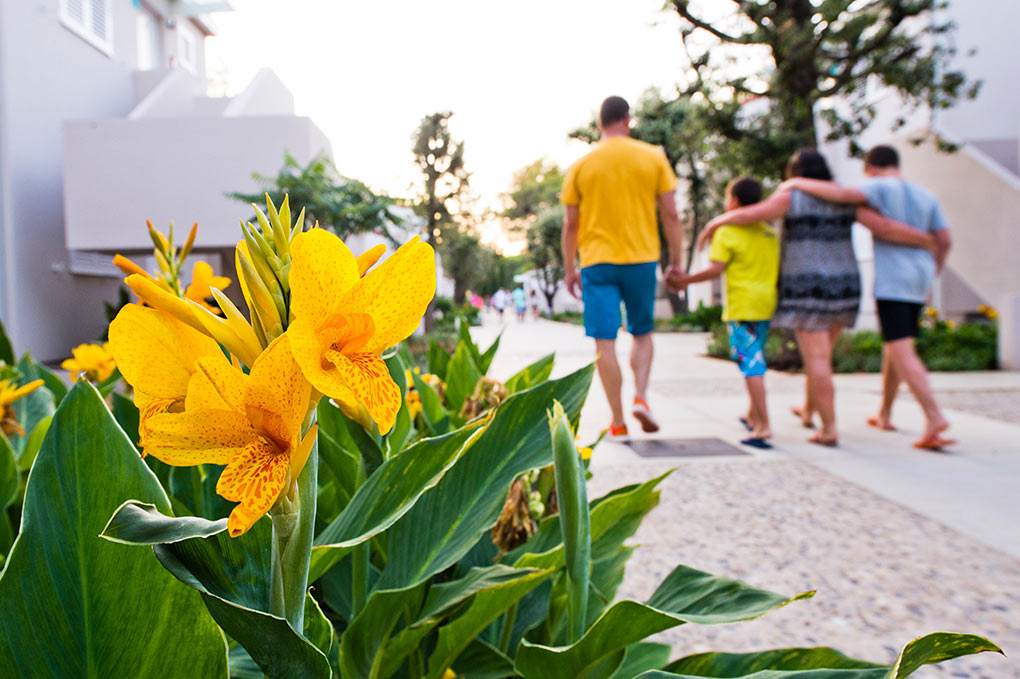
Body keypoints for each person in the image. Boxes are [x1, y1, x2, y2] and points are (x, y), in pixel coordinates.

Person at [698, 148, 935, 447]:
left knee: (817, 360)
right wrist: (925, 239)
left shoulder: (792, 197)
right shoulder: (844, 199)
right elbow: (885, 227)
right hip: (845, 286)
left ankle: (829, 429)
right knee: (823, 357)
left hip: (806, 288)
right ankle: (809, 410)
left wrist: (714, 223)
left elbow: (752, 213)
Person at [778, 145, 953, 450]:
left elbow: (852, 204)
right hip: (921, 276)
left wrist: (795, 182)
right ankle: (883, 413)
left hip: (893, 280)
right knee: (894, 346)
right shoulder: (927, 194)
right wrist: (934, 264)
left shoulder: (873, 187)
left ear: (870, 167)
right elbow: (945, 239)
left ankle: (934, 416)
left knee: (901, 350)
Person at [561, 95, 684, 440]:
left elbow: (571, 224)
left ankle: (617, 420)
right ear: (627, 120)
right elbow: (671, 214)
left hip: (597, 262)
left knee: (605, 344)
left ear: (600, 124)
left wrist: (570, 267)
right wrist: (677, 261)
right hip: (642, 259)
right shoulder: (653, 157)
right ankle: (641, 398)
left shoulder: (582, 166)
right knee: (642, 334)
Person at [668, 177, 779, 448]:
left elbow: (716, 269)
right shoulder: (768, 232)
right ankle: (752, 415)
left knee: (751, 364)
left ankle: (763, 426)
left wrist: (685, 281)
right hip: (766, 304)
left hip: (743, 306)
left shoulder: (727, 232)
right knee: (755, 358)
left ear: (736, 201)